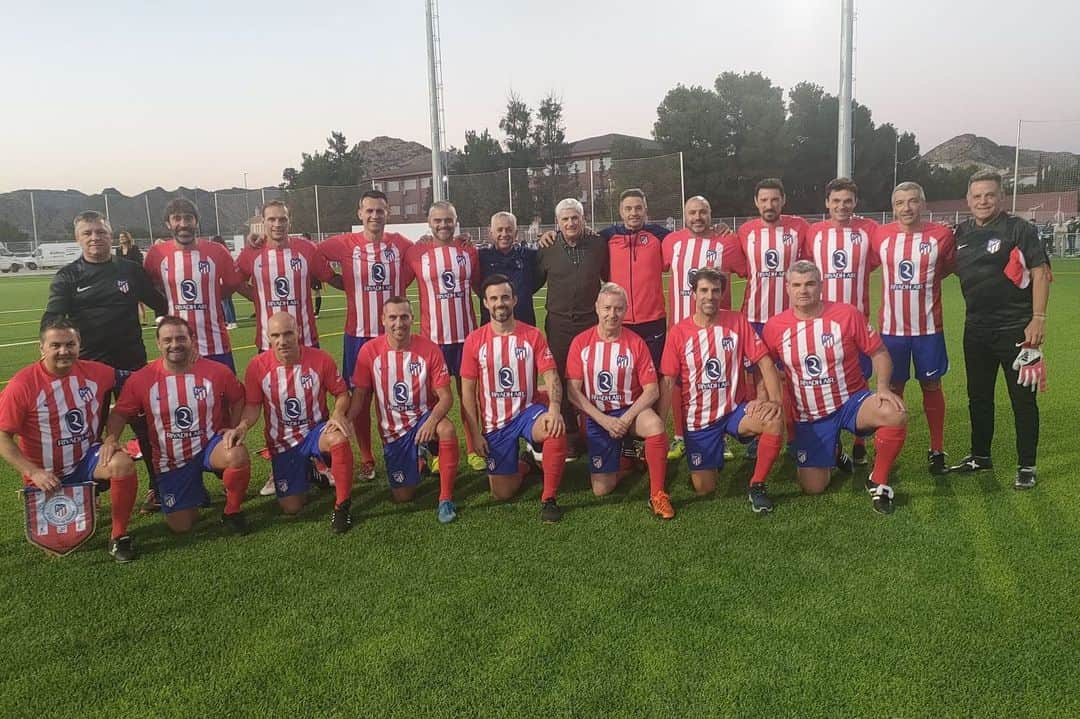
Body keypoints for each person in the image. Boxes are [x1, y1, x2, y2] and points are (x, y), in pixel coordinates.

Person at [41, 210, 167, 513]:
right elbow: (53, 317)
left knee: (146, 428)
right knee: (86, 434)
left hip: (131, 364)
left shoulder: (130, 270)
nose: (95, 238)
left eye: (100, 232)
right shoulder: (69, 276)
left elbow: (162, 302)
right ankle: (90, 493)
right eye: (88, 233)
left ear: (111, 235)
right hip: (88, 371)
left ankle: (158, 488)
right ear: (78, 238)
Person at [762, 261, 908, 514]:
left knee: (894, 413)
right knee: (814, 487)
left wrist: (883, 387)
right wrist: (767, 397)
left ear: (820, 285)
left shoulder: (846, 314)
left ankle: (877, 480)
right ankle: (835, 449)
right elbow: (764, 366)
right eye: (796, 285)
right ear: (787, 288)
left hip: (852, 403)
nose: (803, 290)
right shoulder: (775, 327)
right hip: (810, 415)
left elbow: (879, 352)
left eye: (809, 284)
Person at [0, 320, 139, 561]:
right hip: (47, 474)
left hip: (87, 460)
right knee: (56, 548)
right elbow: (2, 436)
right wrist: (33, 472)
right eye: (56, 345)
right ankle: (83, 500)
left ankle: (119, 536)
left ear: (79, 346)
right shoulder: (22, 385)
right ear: (41, 348)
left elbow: (138, 378)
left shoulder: (97, 372)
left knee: (122, 464)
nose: (64, 351)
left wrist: (184, 361)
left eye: (70, 344)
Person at [950, 170, 1052, 489]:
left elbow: (1039, 272)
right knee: (978, 397)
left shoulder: (1018, 229)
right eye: (977, 196)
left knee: (1022, 400)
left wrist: (1038, 318)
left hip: (1017, 332)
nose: (983, 201)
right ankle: (980, 456)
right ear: (968, 200)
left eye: (989, 195)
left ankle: (1027, 466)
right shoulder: (961, 232)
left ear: (1001, 197)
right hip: (976, 331)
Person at [102, 317, 252, 534]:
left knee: (236, 455)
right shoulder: (143, 378)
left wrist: (235, 427)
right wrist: (111, 439)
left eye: (181, 338)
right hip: (170, 459)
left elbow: (238, 397)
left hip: (210, 447)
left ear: (192, 339)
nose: (175, 345)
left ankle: (232, 511)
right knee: (182, 526)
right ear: (158, 344)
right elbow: (120, 413)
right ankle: (194, 490)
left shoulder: (216, 371)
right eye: (168, 340)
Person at [657, 269, 786, 513]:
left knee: (773, 420)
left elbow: (765, 362)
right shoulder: (678, 332)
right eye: (704, 290)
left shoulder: (736, 321)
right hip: (700, 419)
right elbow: (667, 382)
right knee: (705, 489)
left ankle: (756, 485)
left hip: (734, 410)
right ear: (693, 293)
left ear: (722, 294)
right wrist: (661, 427)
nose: (710, 296)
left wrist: (775, 402)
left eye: (716, 291)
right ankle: (710, 453)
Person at [317, 190, 414, 482]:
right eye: (369, 211)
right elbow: (312, 253)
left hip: (393, 337)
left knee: (400, 396)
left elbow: (424, 253)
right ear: (359, 214)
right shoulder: (345, 244)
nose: (374, 216)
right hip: (358, 336)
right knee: (360, 399)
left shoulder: (399, 244)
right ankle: (367, 457)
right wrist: (335, 280)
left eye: (380, 211)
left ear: (388, 214)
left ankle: (406, 449)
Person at [460, 274, 570, 523]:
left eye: (505, 297)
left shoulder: (532, 336)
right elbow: (467, 392)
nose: (500, 303)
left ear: (515, 300)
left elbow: (552, 377)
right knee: (502, 493)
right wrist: (474, 435)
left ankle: (549, 498)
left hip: (527, 412)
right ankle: (527, 463)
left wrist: (554, 409)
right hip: (495, 422)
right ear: (486, 303)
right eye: (494, 298)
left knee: (555, 428)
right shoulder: (474, 341)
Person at [232, 313, 355, 532]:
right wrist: (242, 426)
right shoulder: (257, 367)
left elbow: (342, 393)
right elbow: (252, 406)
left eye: (288, 333)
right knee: (292, 507)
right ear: (268, 338)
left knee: (338, 438)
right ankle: (312, 471)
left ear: (298, 332)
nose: (283, 340)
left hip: (315, 433)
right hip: (282, 441)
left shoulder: (320, 359)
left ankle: (342, 506)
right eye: (276, 335)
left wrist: (338, 413)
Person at [565, 283, 674, 519]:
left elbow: (652, 390)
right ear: (596, 308)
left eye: (618, 309)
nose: (611, 314)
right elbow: (573, 392)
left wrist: (626, 418)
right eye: (607, 308)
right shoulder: (581, 343)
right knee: (602, 490)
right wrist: (603, 420)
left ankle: (657, 494)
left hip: (629, 412)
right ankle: (628, 458)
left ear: (625, 311)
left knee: (655, 426)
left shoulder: (635, 343)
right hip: (597, 415)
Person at [351, 297, 460, 524]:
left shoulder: (429, 349)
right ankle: (418, 457)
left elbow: (446, 397)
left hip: (423, 419)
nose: (398, 323)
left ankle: (445, 498)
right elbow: (360, 396)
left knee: (447, 429)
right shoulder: (369, 352)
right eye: (392, 317)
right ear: (383, 320)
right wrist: (343, 421)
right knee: (403, 496)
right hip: (394, 431)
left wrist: (431, 422)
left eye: (404, 317)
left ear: (412, 318)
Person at [871, 182, 955, 475]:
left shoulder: (941, 235)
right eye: (900, 203)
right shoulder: (880, 235)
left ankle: (937, 448)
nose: (906, 208)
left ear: (923, 203)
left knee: (931, 385)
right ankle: (889, 448)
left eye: (913, 201)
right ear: (893, 207)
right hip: (892, 331)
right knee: (893, 389)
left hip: (929, 329)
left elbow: (947, 267)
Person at [661, 195, 747, 461]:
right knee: (677, 382)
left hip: (717, 329)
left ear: (711, 214)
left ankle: (719, 435)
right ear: (685, 215)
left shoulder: (727, 242)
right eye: (692, 212)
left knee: (716, 379)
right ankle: (680, 437)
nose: (698, 217)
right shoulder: (671, 242)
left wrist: (733, 235)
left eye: (703, 212)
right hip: (680, 328)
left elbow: (746, 270)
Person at [804, 178, 881, 466]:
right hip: (821, 325)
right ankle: (833, 444)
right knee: (825, 384)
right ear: (827, 203)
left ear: (855, 203)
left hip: (857, 324)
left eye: (847, 201)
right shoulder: (814, 233)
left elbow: (880, 257)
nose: (841, 206)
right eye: (836, 201)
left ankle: (860, 442)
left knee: (859, 381)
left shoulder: (869, 230)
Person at [405, 200, 485, 471]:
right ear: (429, 223)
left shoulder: (468, 250)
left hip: (466, 339)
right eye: (437, 220)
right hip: (433, 341)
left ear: (456, 220)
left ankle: (475, 448)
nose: (443, 225)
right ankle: (434, 451)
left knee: (469, 398)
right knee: (431, 400)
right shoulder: (416, 252)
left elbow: (480, 288)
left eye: (448, 220)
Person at [535, 198, 610, 448]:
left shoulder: (598, 244)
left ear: (583, 219)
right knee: (561, 376)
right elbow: (532, 281)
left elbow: (609, 276)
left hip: (591, 322)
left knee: (592, 376)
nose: (570, 223)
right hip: (559, 324)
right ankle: (571, 433)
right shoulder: (548, 246)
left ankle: (596, 429)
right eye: (565, 219)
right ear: (557, 223)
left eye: (575, 218)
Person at [144, 198, 244, 372]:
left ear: (196, 222)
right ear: (168, 223)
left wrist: (211, 296)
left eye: (188, 218)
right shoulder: (157, 254)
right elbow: (148, 287)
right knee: (182, 397)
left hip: (216, 345)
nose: (183, 224)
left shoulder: (217, 251)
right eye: (177, 218)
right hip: (177, 348)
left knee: (226, 397)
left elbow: (233, 283)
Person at [236, 200, 338, 353]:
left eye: (282, 219)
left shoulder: (307, 249)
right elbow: (235, 282)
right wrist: (257, 297)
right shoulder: (252, 252)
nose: (277, 224)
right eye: (272, 219)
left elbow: (330, 277)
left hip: (305, 342)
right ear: (263, 222)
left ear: (290, 222)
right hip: (268, 344)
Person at [478, 211, 539, 325]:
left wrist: (553, 234)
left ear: (516, 233)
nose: (504, 234)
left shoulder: (530, 256)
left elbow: (537, 281)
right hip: (491, 328)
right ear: (491, 233)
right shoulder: (480, 257)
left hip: (525, 326)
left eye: (509, 230)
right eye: (499, 230)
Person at [211, 235, 238, 329]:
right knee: (228, 302)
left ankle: (230, 321)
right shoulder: (226, 251)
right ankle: (232, 321)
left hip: (222, 280)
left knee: (224, 302)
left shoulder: (220, 252)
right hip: (228, 280)